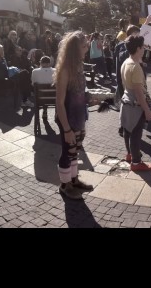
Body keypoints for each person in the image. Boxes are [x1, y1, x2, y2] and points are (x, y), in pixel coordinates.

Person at [54, 31, 97, 200]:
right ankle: (65, 185)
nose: (87, 48)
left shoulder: (78, 65)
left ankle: (73, 180)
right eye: (84, 46)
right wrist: (66, 129)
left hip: (79, 116)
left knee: (75, 151)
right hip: (68, 119)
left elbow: (79, 92)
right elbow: (59, 102)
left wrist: (88, 98)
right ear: (74, 49)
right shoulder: (64, 70)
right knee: (67, 151)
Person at [120, 35, 151, 172]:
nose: (144, 48)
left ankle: (129, 155)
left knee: (128, 130)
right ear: (138, 48)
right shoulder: (135, 67)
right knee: (136, 134)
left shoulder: (127, 62)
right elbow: (140, 94)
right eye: (143, 46)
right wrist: (147, 110)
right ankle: (136, 162)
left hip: (127, 101)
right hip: (136, 105)